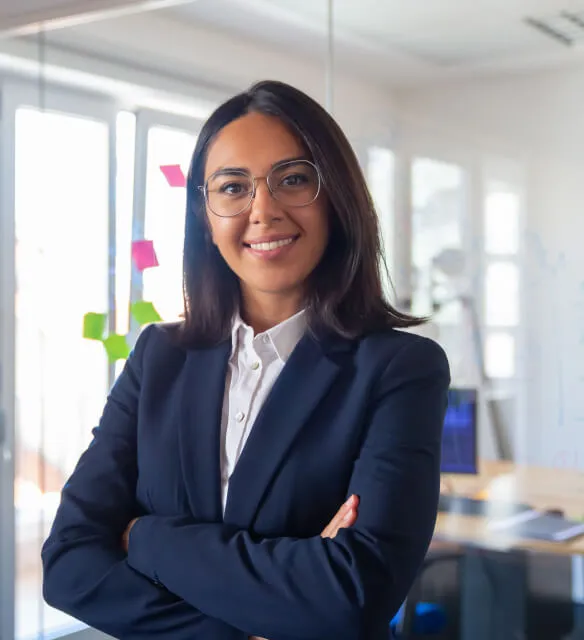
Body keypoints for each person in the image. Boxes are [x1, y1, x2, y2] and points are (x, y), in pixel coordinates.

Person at [42, 80, 450, 640]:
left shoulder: (400, 368)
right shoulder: (159, 356)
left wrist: (145, 537)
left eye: (294, 179)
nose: (264, 210)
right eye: (233, 187)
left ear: (336, 199)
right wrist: (261, 618)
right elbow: (68, 564)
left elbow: (356, 595)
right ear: (205, 219)